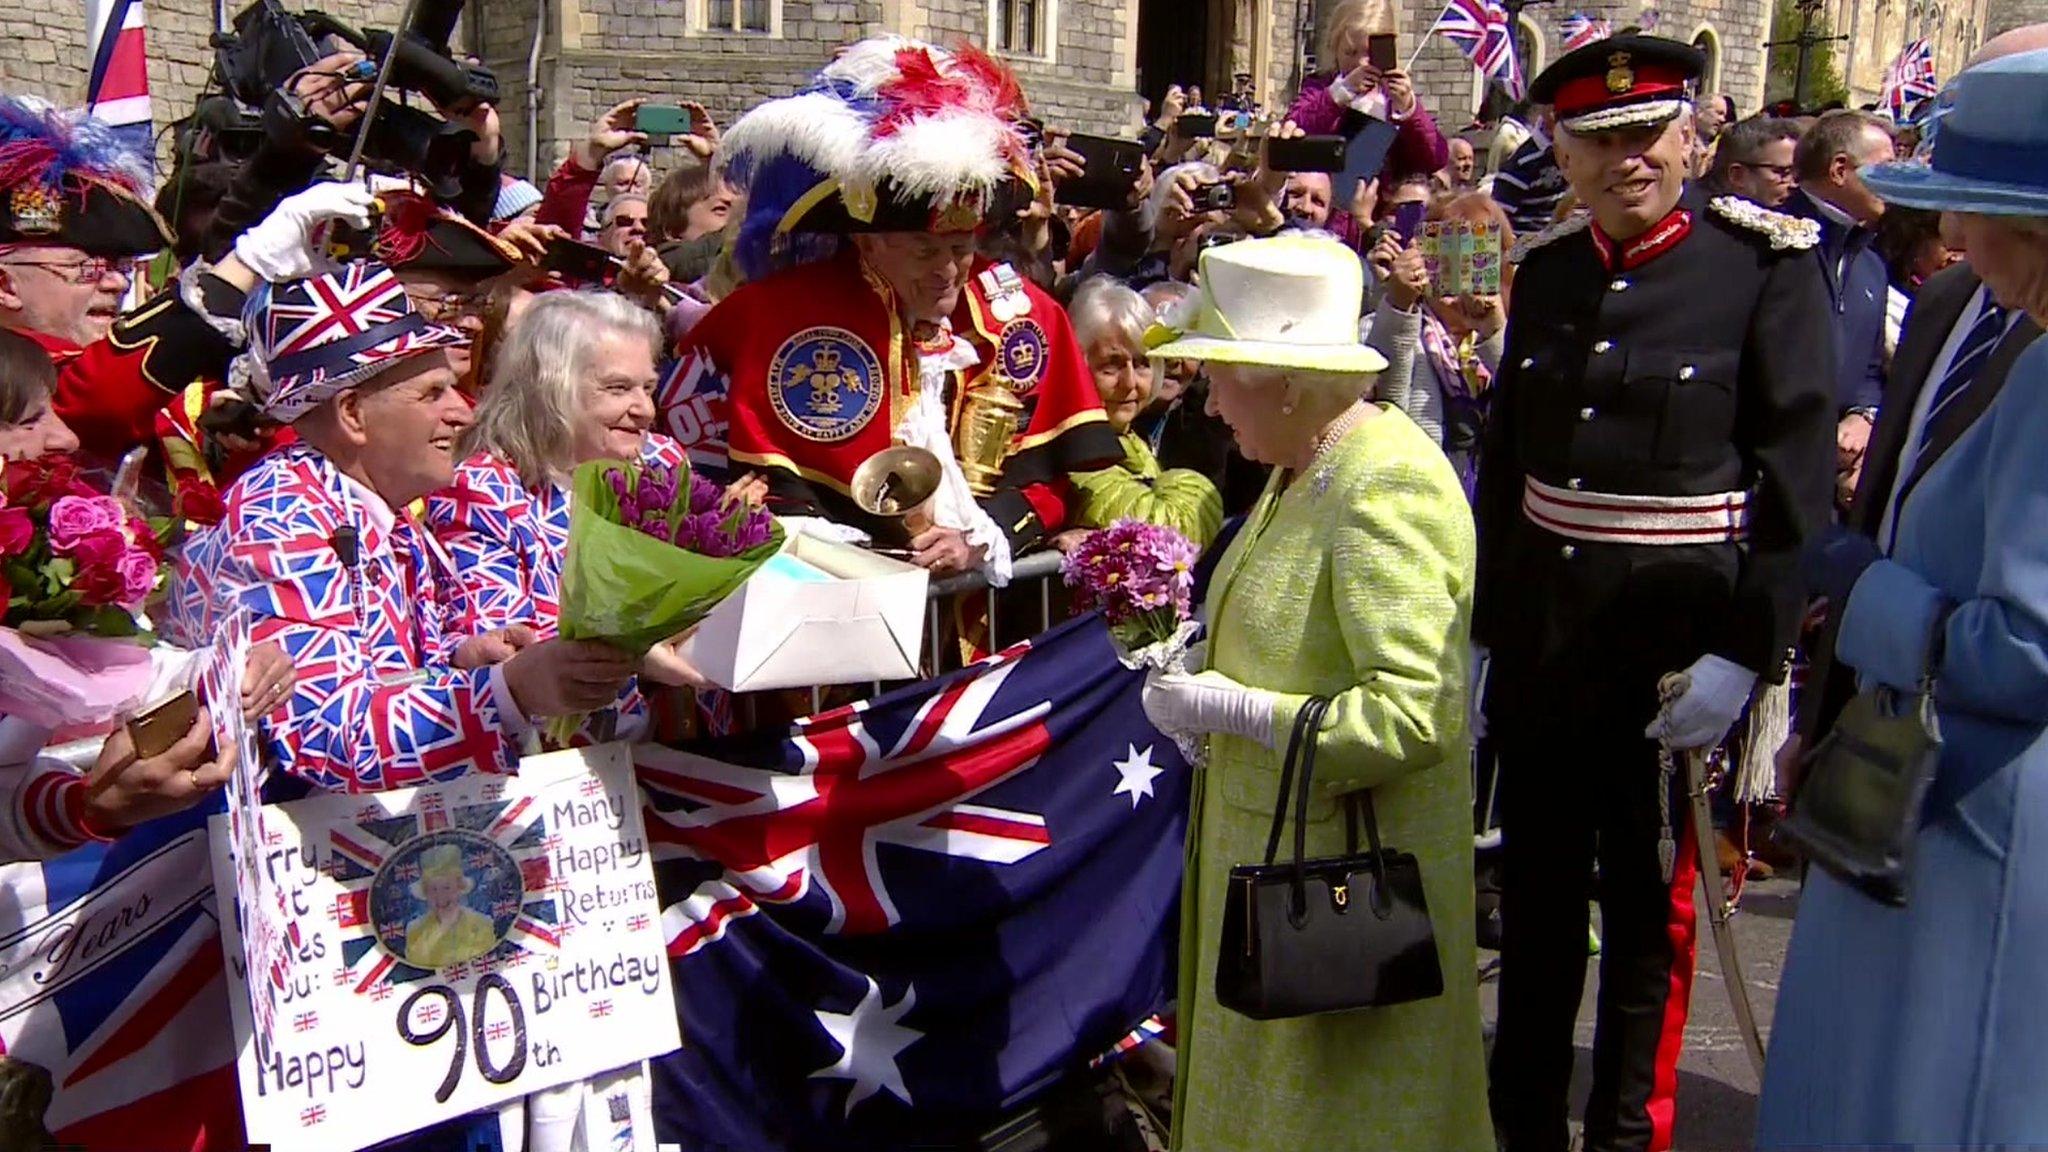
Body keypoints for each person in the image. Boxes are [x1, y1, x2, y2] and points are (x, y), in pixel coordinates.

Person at [1476, 36, 1835, 1152]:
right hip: (1548, 641)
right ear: (1560, 153)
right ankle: (1520, 1124)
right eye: (1596, 142)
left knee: (1647, 915)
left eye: (1644, 136)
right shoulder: (1547, 273)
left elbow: (1791, 481)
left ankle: (1627, 1134)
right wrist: (1485, 637)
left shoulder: (1765, 269)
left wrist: (1747, 654)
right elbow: (1510, 468)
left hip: (1677, 650)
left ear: (1689, 135)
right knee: (1535, 906)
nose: (1624, 162)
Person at [1757, 44, 2048, 1147]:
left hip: (1979, 842)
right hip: (1944, 817)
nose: (1951, 240)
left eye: (1966, 210)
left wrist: (1866, 587)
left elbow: (2021, 649)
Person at [1139, 234, 1489, 1151]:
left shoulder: (1386, 482)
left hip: (1343, 891)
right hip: (1274, 864)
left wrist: (1238, 709)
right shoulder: (1299, 462)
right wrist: (1199, 662)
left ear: (1285, 379)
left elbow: (1417, 711)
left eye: (1219, 375)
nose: (1208, 401)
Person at [169, 260, 637, 794]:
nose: (462, 413)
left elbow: (377, 669)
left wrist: (462, 659)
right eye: (432, 393)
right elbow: (323, 737)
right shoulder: (279, 520)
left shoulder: (365, 505)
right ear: (351, 414)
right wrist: (510, 691)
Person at [663, 37, 1119, 579]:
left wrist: (984, 536)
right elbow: (686, 439)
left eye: (960, 249)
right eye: (924, 251)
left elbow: (1053, 480)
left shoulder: (1026, 316)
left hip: (987, 616)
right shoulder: (771, 314)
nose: (947, 270)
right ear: (868, 242)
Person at [0, 329, 294, 860]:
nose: (65, 438)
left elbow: (117, 673)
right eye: (27, 422)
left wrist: (225, 674)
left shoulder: (35, 561)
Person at [430, 289, 716, 735]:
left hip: (681, 734)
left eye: (648, 387)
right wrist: (638, 648)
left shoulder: (661, 461)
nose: (643, 409)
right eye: (618, 388)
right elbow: (509, 648)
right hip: (564, 752)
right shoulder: (483, 488)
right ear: (551, 388)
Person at [1367, 192, 1511, 499]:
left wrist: (1493, 329)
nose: (1454, 269)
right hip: (1418, 498)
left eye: (1471, 256)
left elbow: (1529, 410)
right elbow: (1384, 411)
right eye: (1443, 254)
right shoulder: (1388, 324)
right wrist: (1397, 304)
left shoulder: (1518, 332)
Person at [1057, 278, 1221, 548]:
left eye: (1143, 363)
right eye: (1111, 366)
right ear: (1077, 366)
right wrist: (1195, 489)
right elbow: (1170, 530)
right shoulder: (1071, 453)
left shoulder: (1134, 438)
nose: (1131, 382)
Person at [1783, 110, 1896, 470]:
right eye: (1886, 169)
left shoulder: (1871, 265)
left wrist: (1862, 417)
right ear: (1840, 170)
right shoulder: (1767, 246)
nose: (1895, 186)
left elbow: (1870, 369)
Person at [1287, 0, 1449, 184]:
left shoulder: (1391, 99)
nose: (1361, 63)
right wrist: (1337, 95)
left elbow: (1435, 158)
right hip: (1327, 201)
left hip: (1378, 204)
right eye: (1351, 52)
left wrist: (1409, 110)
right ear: (1335, 49)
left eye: (1370, 54)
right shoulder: (1320, 87)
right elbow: (1292, 130)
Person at [402, 843, 499, 968]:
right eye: (433, 889)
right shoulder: (414, 929)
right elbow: (416, 964)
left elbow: (484, 960)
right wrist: (441, 928)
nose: (440, 896)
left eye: (446, 888)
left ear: (459, 888)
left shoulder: (483, 923)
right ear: (425, 894)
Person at [1492, 106, 1570, 236]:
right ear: (1541, 109)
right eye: (1553, 107)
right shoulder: (1522, 164)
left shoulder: (1582, 151)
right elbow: (1495, 220)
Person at [1701, 116, 1801, 207]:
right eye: (1782, 172)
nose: (1793, 184)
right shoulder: (1691, 218)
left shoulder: (1796, 212)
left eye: (1795, 172)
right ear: (1737, 175)